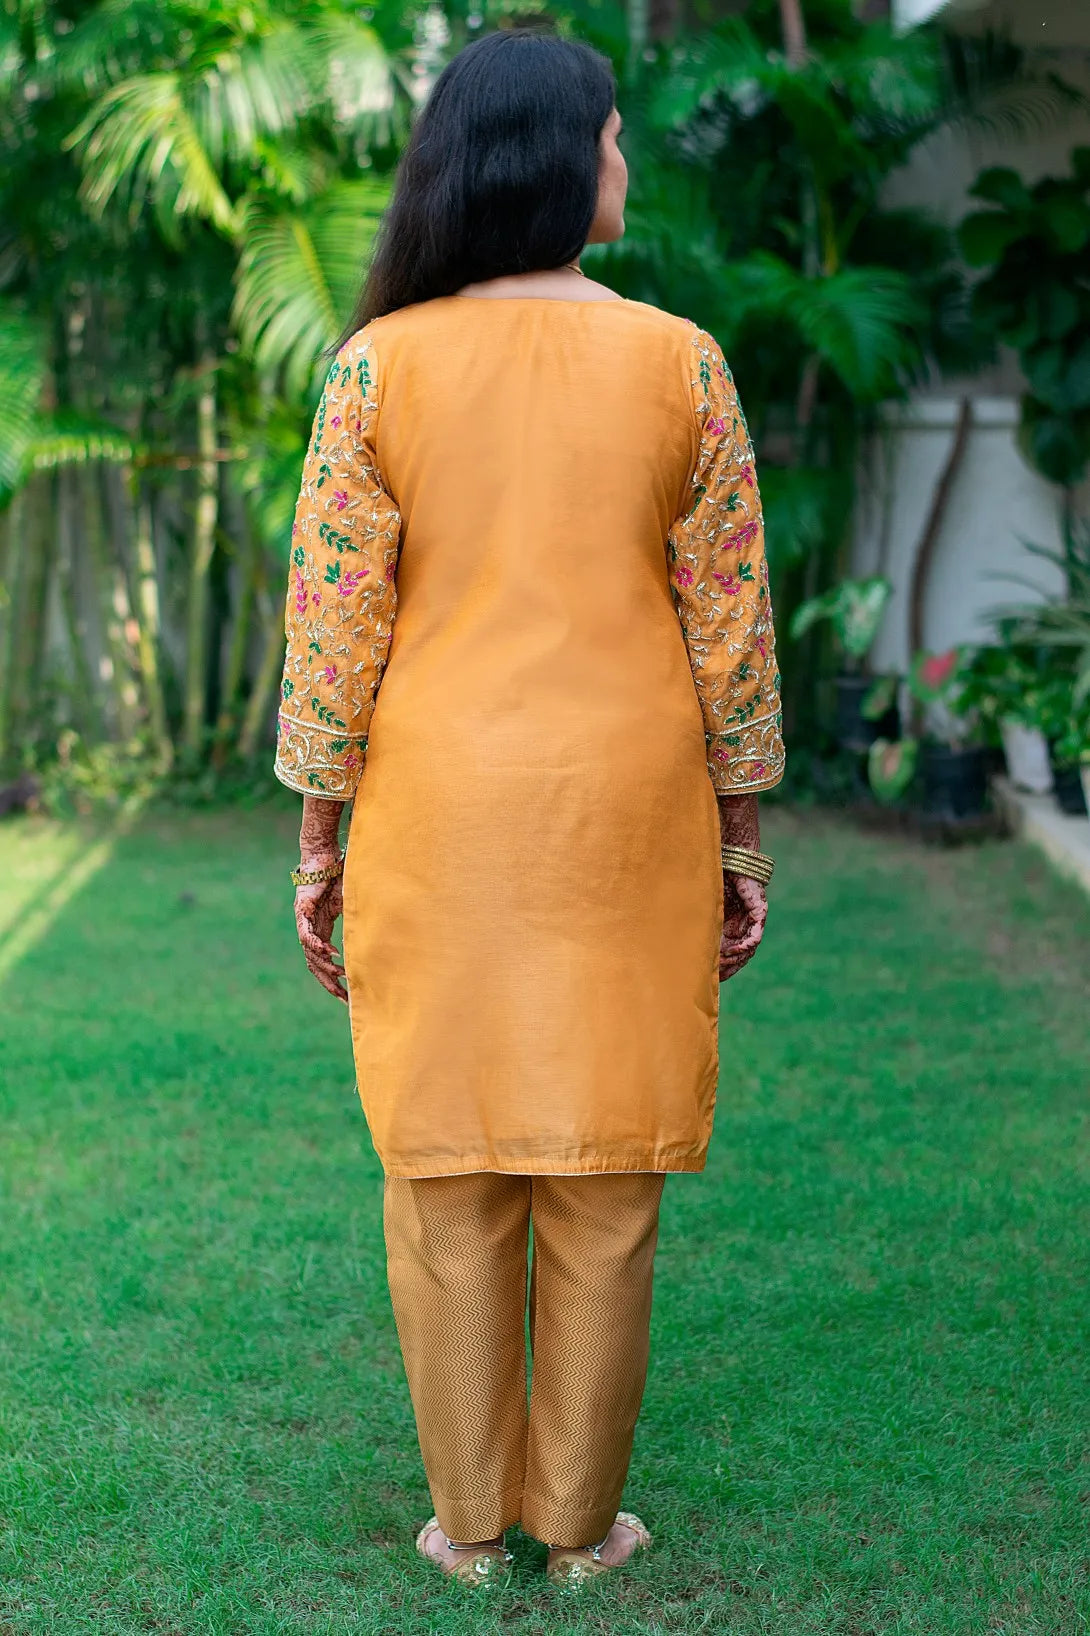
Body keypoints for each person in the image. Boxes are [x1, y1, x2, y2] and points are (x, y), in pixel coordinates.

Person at [274, 27, 784, 1591]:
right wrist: (740, 831)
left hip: (437, 808)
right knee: (604, 1178)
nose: (623, 160)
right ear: (566, 163)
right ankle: (578, 1530)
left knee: (444, 1174)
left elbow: (334, 629)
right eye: (615, 138)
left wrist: (318, 844)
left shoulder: (376, 366)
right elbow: (729, 631)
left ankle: (464, 1521)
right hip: (625, 816)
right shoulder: (680, 360)